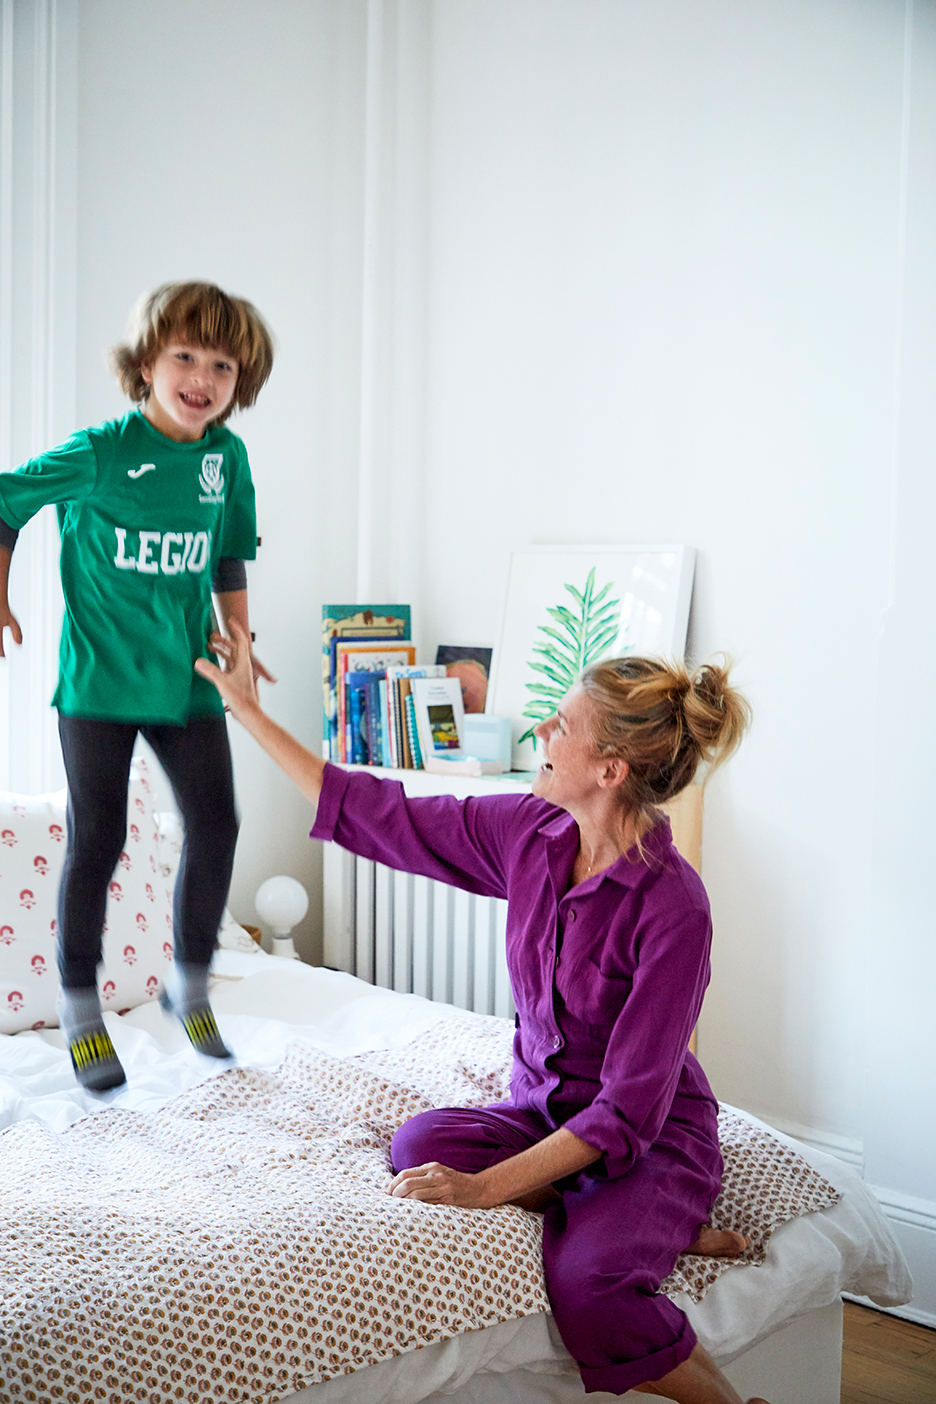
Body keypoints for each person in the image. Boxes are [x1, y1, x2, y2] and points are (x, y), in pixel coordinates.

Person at [195, 622, 767, 1404]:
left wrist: (489, 1190)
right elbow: (382, 814)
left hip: (650, 1136)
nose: (540, 730)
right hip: (544, 1111)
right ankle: (648, 1231)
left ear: (610, 767)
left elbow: (628, 1113)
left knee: (587, 1287)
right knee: (420, 1144)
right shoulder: (532, 833)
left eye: (560, 724)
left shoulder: (675, 909)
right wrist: (249, 713)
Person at [0, 281, 274, 1093]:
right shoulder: (102, 451)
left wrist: (241, 642)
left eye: (222, 363)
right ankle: (81, 1006)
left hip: (185, 679)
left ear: (240, 379)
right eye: (184, 355)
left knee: (217, 824)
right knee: (101, 839)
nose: (202, 376)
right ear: (147, 363)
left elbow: (228, 554)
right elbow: (6, 502)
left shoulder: (226, 460)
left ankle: (189, 985)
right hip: (97, 685)